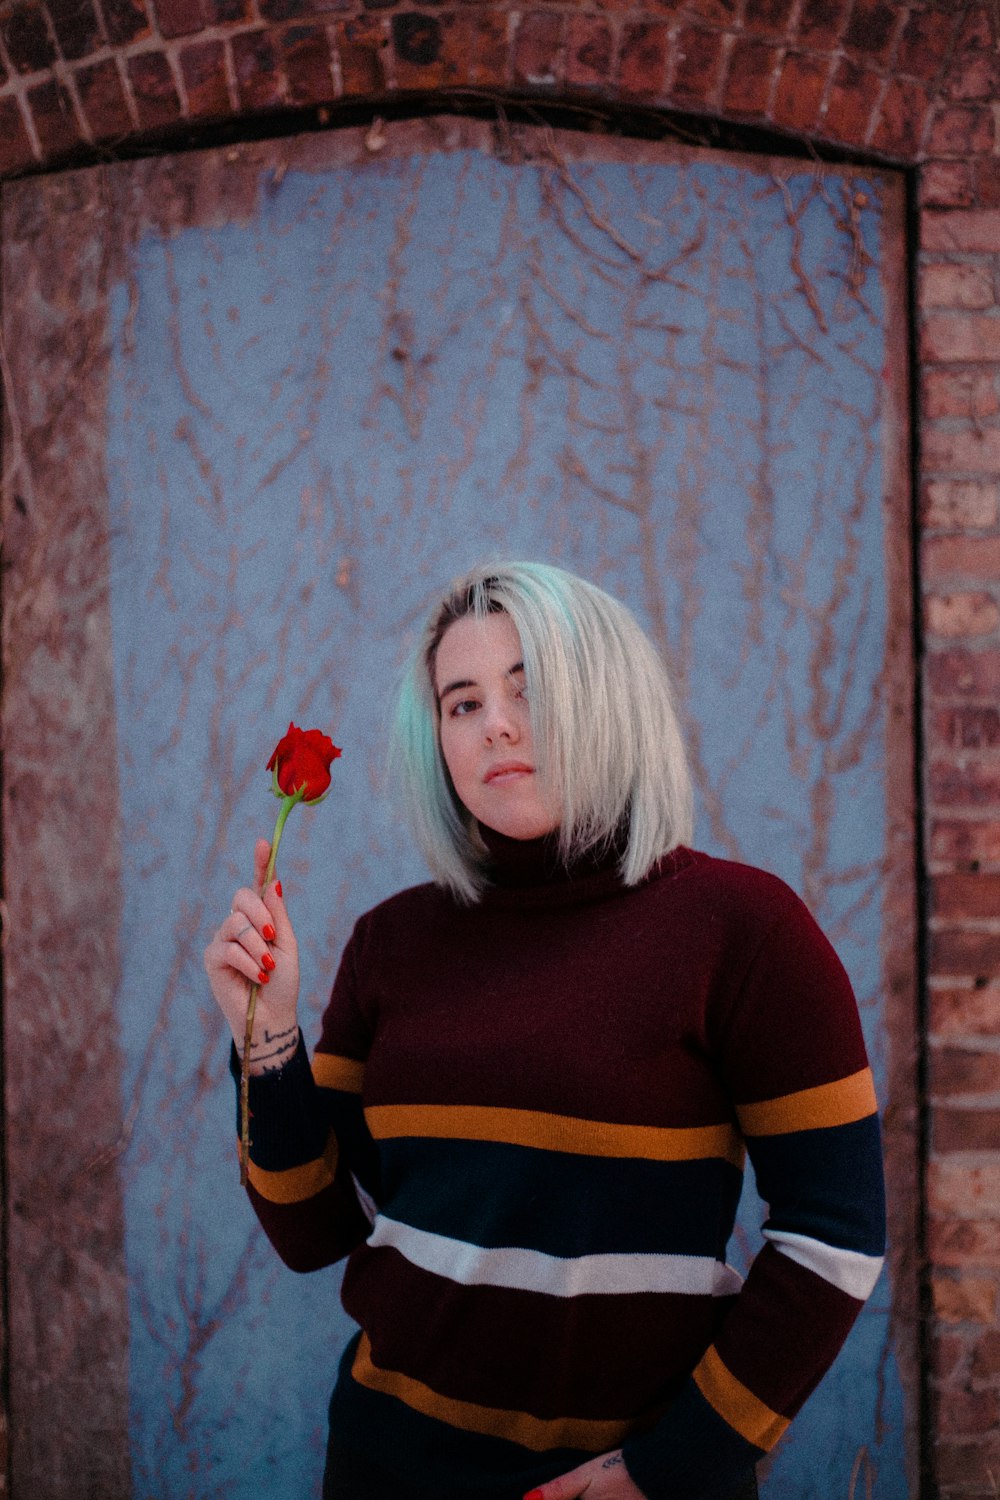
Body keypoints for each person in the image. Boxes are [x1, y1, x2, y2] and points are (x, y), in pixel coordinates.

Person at [204, 561, 886, 1500]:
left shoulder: (746, 931)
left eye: (530, 688)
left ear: (608, 697)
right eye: (463, 702)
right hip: (385, 1463)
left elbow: (831, 1239)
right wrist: (265, 1035)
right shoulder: (390, 942)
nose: (498, 725)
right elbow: (311, 1229)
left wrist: (673, 1466)